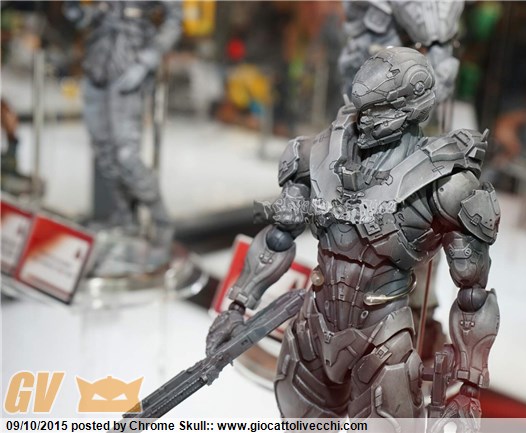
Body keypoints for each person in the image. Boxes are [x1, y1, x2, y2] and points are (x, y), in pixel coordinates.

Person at [207, 47, 500, 426]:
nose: (366, 122)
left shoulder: (446, 184)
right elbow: (279, 236)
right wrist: (236, 307)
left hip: (383, 337)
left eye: (379, 111)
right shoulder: (316, 155)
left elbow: (473, 294)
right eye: (364, 110)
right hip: (313, 328)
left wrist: (469, 387)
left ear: (411, 107)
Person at [63, 1, 182, 243]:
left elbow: (174, 19)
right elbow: (96, 15)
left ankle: (162, 221)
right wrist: (78, 12)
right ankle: (125, 218)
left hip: (129, 62)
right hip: (98, 62)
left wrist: (147, 60)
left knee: (126, 155)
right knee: (104, 152)